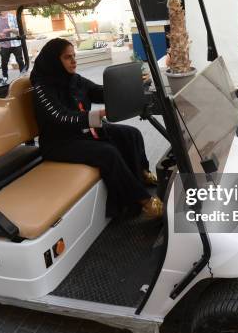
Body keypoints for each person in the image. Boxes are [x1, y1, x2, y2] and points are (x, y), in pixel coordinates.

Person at [30, 38, 162, 219]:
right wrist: (98, 115)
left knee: (131, 134)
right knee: (108, 153)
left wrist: (129, 86)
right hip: (59, 142)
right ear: (54, 60)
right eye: (68, 58)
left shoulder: (73, 79)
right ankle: (144, 202)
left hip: (81, 132)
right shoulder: (42, 88)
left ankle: (141, 173)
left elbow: (98, 92)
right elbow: (61, 117)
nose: (74, 61)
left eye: (74, 56)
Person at [0, 11, 26, 80]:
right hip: (4, 44)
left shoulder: (12, 17)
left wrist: (9, 30)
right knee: (4, 62)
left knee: (20, 61)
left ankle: (23, 76)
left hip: (15, 43)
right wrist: (0, 34)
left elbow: (19, 30)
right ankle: (5, 77)